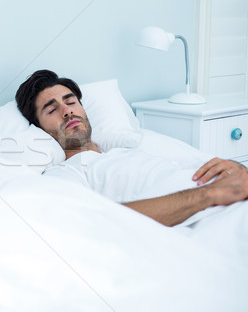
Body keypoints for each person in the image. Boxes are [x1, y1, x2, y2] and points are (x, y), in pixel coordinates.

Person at [15, 69, 248, 227]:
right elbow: (91, 223)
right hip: (212, 216)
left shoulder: (132, 150)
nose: (67, 111)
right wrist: (209, 194)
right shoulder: (67, 173)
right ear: (41, 129)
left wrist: (236, 168)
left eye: (70, 101)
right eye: (51, 109)